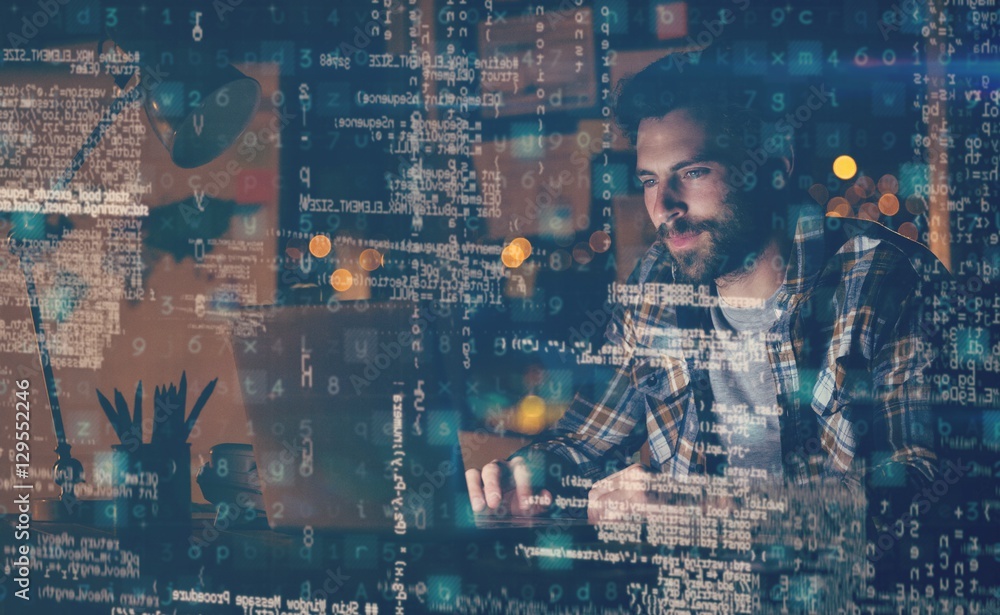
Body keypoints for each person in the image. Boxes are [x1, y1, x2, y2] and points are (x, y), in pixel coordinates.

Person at [465, 53, 944, 525]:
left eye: (692, 173)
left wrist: (700, 511)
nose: (663, 206)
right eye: (650, 181)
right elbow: (589, 435)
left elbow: (924, 489)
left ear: (775, 166)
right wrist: (529, 472)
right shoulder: (658, 281)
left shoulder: (884, 280)